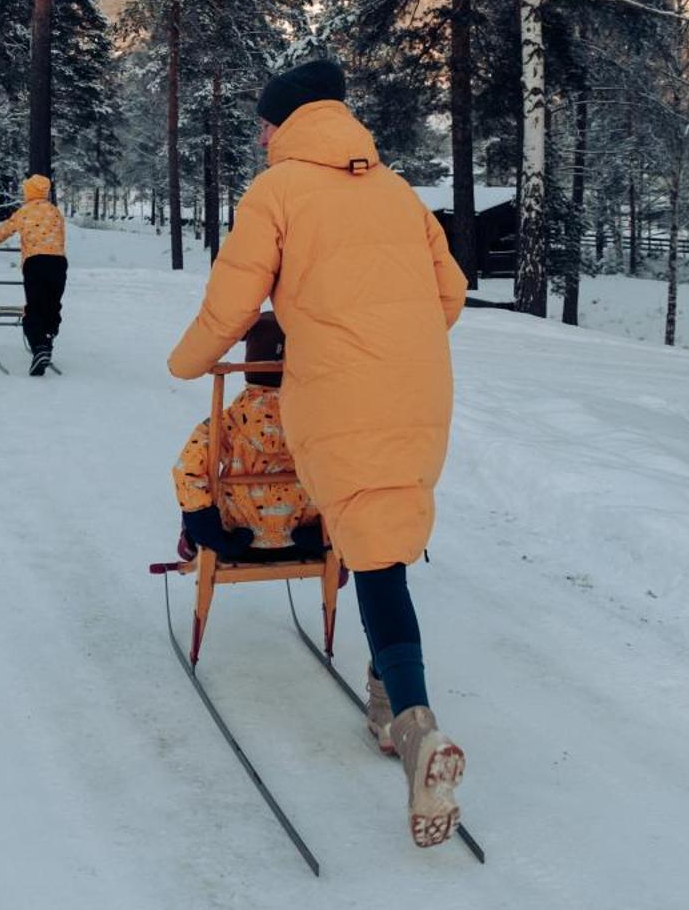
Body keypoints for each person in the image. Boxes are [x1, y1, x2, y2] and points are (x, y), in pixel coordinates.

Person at [167, 56, 469, 849]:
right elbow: (451, 293)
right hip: (420, 385)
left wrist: (188, 360)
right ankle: (385, 696)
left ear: (287, 121)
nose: (260, 135)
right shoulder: (398, 190)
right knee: (381, 542)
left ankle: (415, 725)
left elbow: (233, 300)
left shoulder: (277, 192)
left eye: (263, 122)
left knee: (372, 549)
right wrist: (392, 339)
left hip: (339, 389)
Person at [170, 312, 325, 563]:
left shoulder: (227, 421)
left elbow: (185, 471)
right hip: (304, 538)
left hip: (239, 540)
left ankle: (192, 537)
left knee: (198, 477)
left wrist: (208, 531)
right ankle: (335, 550)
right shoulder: (318, 420)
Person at [0, 174, 67, 375]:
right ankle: (47, 341)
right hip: (58, 263)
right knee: (52, 306)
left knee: (34, 308)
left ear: (29, 192)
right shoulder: (55, 212)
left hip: (35, 262)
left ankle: (39, 347)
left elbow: (6, 229)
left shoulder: (24, 211)